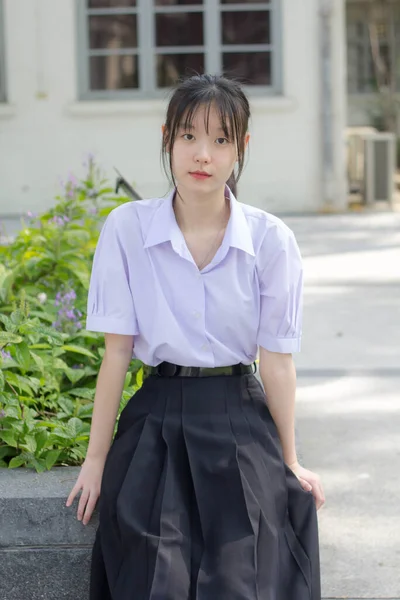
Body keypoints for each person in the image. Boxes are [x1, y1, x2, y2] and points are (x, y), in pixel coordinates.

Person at [66, 73, 325, 600]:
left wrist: (291, 459)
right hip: (156, 416)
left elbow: (276, 361)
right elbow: (116, 354)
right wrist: (95, 460)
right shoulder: (127, 229)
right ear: (168, 138)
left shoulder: (272, 240)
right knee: (151, 572)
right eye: (188, 136)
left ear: (241, 148)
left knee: (241, 572)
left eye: (221, 139)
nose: (202, 154)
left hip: (239, 416)